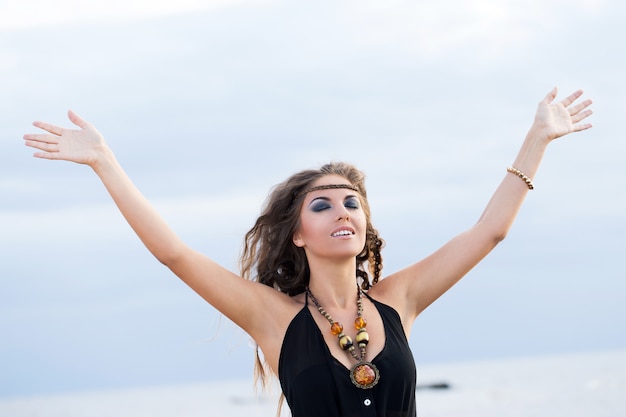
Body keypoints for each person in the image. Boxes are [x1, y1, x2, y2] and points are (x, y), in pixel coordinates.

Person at [23, 87, 592, 416]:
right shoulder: (275, 319)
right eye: (321, 206)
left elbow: (488, 232)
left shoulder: (400, 302)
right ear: (297, 234)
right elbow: (173, 254)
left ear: (365, 226)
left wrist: (537, 138)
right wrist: (105, 162)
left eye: (352, 203)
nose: (342, 211)